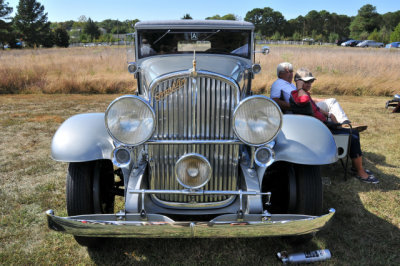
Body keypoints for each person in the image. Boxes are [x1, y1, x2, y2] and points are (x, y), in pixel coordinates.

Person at [291, 68, 379, 184]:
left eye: (311, 81)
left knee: (352, 132)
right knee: (353, 135)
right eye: (306, 81)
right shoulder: (299, 94)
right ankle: (360, 172)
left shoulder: (302, 94)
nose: (309, 84)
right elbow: (304, 100)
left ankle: (355, 167)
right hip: (321, 129)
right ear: (299, 81)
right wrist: (300, 87)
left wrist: (328, 114)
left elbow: (314, 108)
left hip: (322, 124)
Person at [270, 62, 366, 131]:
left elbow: (306, 98)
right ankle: (344, 124)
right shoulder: (277, 84)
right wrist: (294, 107)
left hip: (305, 105)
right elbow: (275, 100)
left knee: (331, 103)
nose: (291, 73)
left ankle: (342, 124)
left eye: (291, 71)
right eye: (287, 71)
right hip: (300, 110)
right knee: (332, 102)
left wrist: (321, 100)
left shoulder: (290, 84)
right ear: (280, 73)